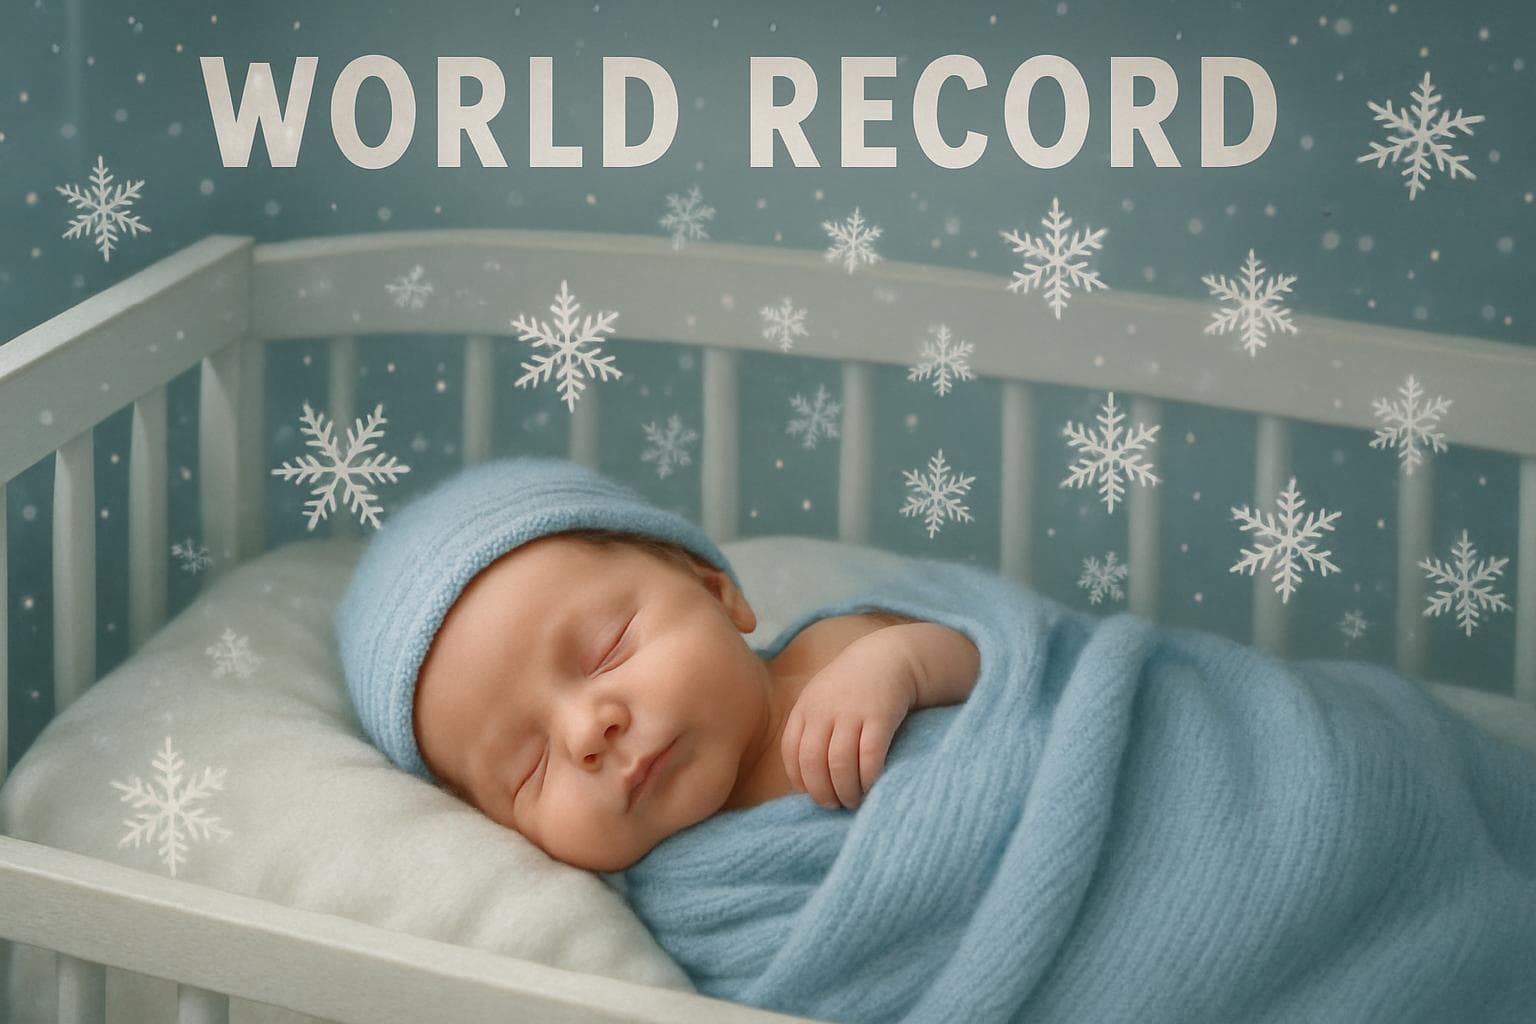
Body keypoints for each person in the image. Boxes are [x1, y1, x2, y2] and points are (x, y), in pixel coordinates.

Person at [335, 455, 979, 872]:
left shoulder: (846, 644)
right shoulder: (683, 895)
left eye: (607, 650)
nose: (587, 733)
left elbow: (1015, 673)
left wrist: (904, 664)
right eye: (527, 768)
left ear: (715, 591)